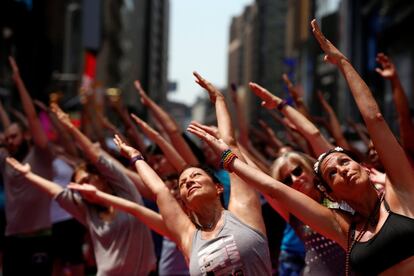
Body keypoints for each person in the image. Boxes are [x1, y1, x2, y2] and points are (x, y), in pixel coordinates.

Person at [187, 19, 414, 275]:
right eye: (332, 174)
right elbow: (275, 190)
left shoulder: (401, 192)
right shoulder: (341, 227)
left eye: (344, 162)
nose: (342, 170)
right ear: (331, 194)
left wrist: (342, 63)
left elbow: (374, 120)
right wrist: (229, 156)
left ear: (361, 165)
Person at [0, 57, 54, 275]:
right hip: (13, 240)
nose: (10, 140)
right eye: (8, 138)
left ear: (26, 136)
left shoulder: (40, 155)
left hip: (39, 239)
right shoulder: (5, 158)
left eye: (15, 136)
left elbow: (32, 117)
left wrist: (18, 80)